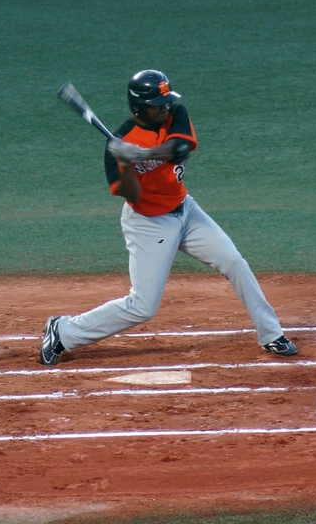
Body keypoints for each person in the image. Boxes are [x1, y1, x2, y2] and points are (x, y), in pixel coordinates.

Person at [40, 70, 296, 366]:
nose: (164, 107)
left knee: (234, 261)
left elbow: (179, 149)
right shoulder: (119, 145)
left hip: (186, 210)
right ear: (139, 107)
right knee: (142, 307)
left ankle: (271, 334)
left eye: (166, 101)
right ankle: (63, 331)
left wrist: (142, 154)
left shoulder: (176, 115)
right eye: (157, 105)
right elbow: (132, 194)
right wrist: (126, 163)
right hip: (149, 223)